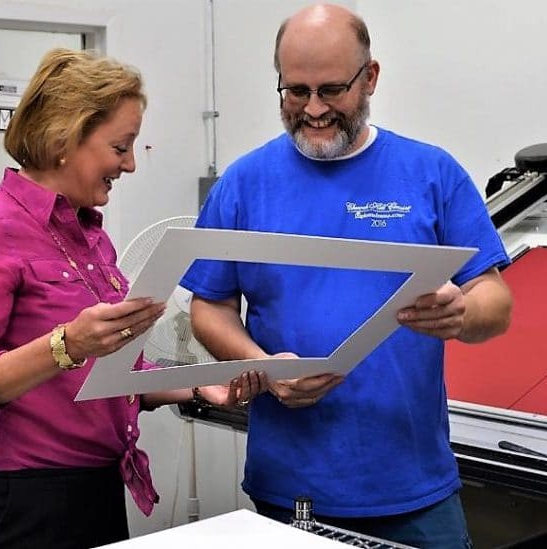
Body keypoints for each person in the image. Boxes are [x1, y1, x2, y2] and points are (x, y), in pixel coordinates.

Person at [179, 5, 513, 548]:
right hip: (290, 489)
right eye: (295, 91)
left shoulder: (431, 174)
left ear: (371, 77)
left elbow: (494, 300)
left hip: (415, 487)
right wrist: (262, 366)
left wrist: (463, 313)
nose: (313, 110)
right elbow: (209, 306)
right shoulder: (244, 183)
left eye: (331, 90)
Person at [0, 48, 264, 549]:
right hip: (14, 504)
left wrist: (196, 388)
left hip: (94, 490)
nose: (129, 164)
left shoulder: (90, 238)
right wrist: (67, 344)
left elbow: (109, 373)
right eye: (120, 146)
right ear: (66, 138)